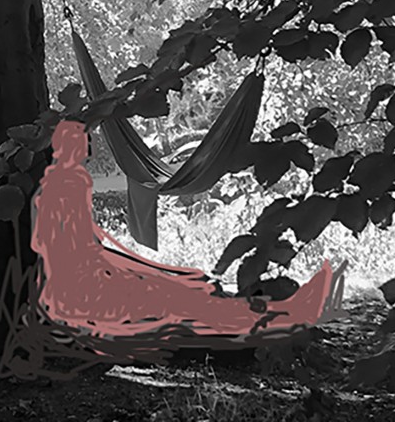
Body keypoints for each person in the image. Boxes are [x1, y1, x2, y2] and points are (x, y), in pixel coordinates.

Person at [31, 119, 345, 338]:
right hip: (78, 280)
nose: (87, 153)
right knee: (167, 287)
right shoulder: (64, 185)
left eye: (86, 147)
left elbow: (81, 242)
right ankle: (252, 315)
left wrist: (118, 260)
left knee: (179, 280)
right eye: (83, 146)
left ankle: (256, 311)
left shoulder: (70, 182)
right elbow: (60, 246)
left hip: (87, 268)